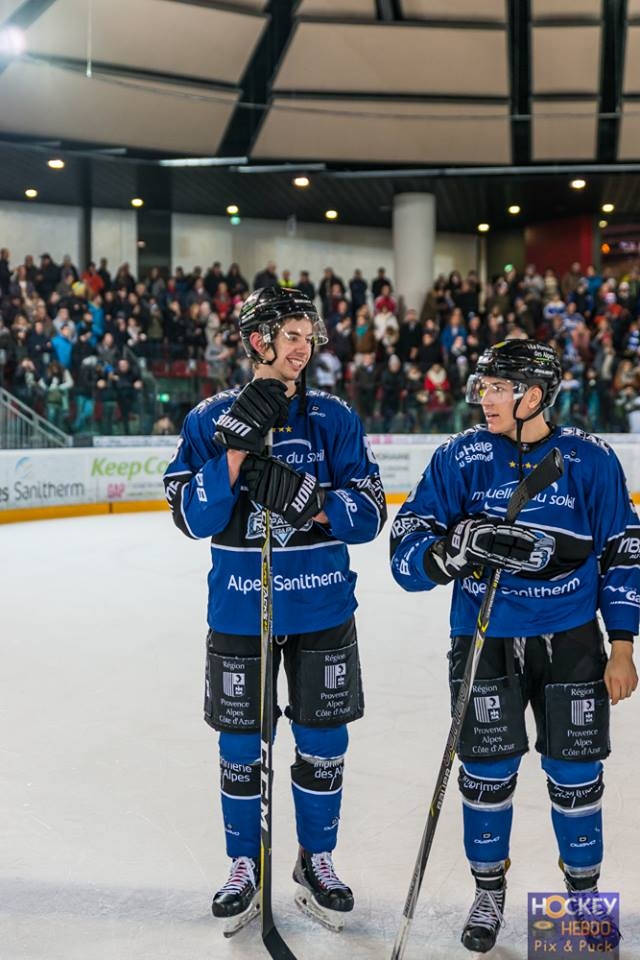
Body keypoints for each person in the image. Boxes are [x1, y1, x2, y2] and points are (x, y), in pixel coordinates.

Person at [389, 339, 638, 953]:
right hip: (485, 637)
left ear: (533, 394)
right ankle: (489, 893)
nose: (484, 397)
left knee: (575, 773)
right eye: (484, 386)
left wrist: (624, 645)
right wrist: (445, 554)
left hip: (573, 639)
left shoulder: (591, 458)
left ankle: (579, 905)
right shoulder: (461, 457)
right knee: (487, 773)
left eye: (498, 387)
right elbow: (405, 542)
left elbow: (624, 552)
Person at [163, 286, 386, 933]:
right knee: (241, 744)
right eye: (291, 334)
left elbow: (371, 513)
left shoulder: (334, 418)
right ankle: (244, 865)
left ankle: (315, 861)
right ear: (258, 340)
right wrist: (236, 454)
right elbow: (189, 516)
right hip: (240, 607)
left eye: (308, 335)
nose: (304, 346)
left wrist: (310, 503)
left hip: (321, 605)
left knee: (323, 740)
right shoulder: (209, 418)